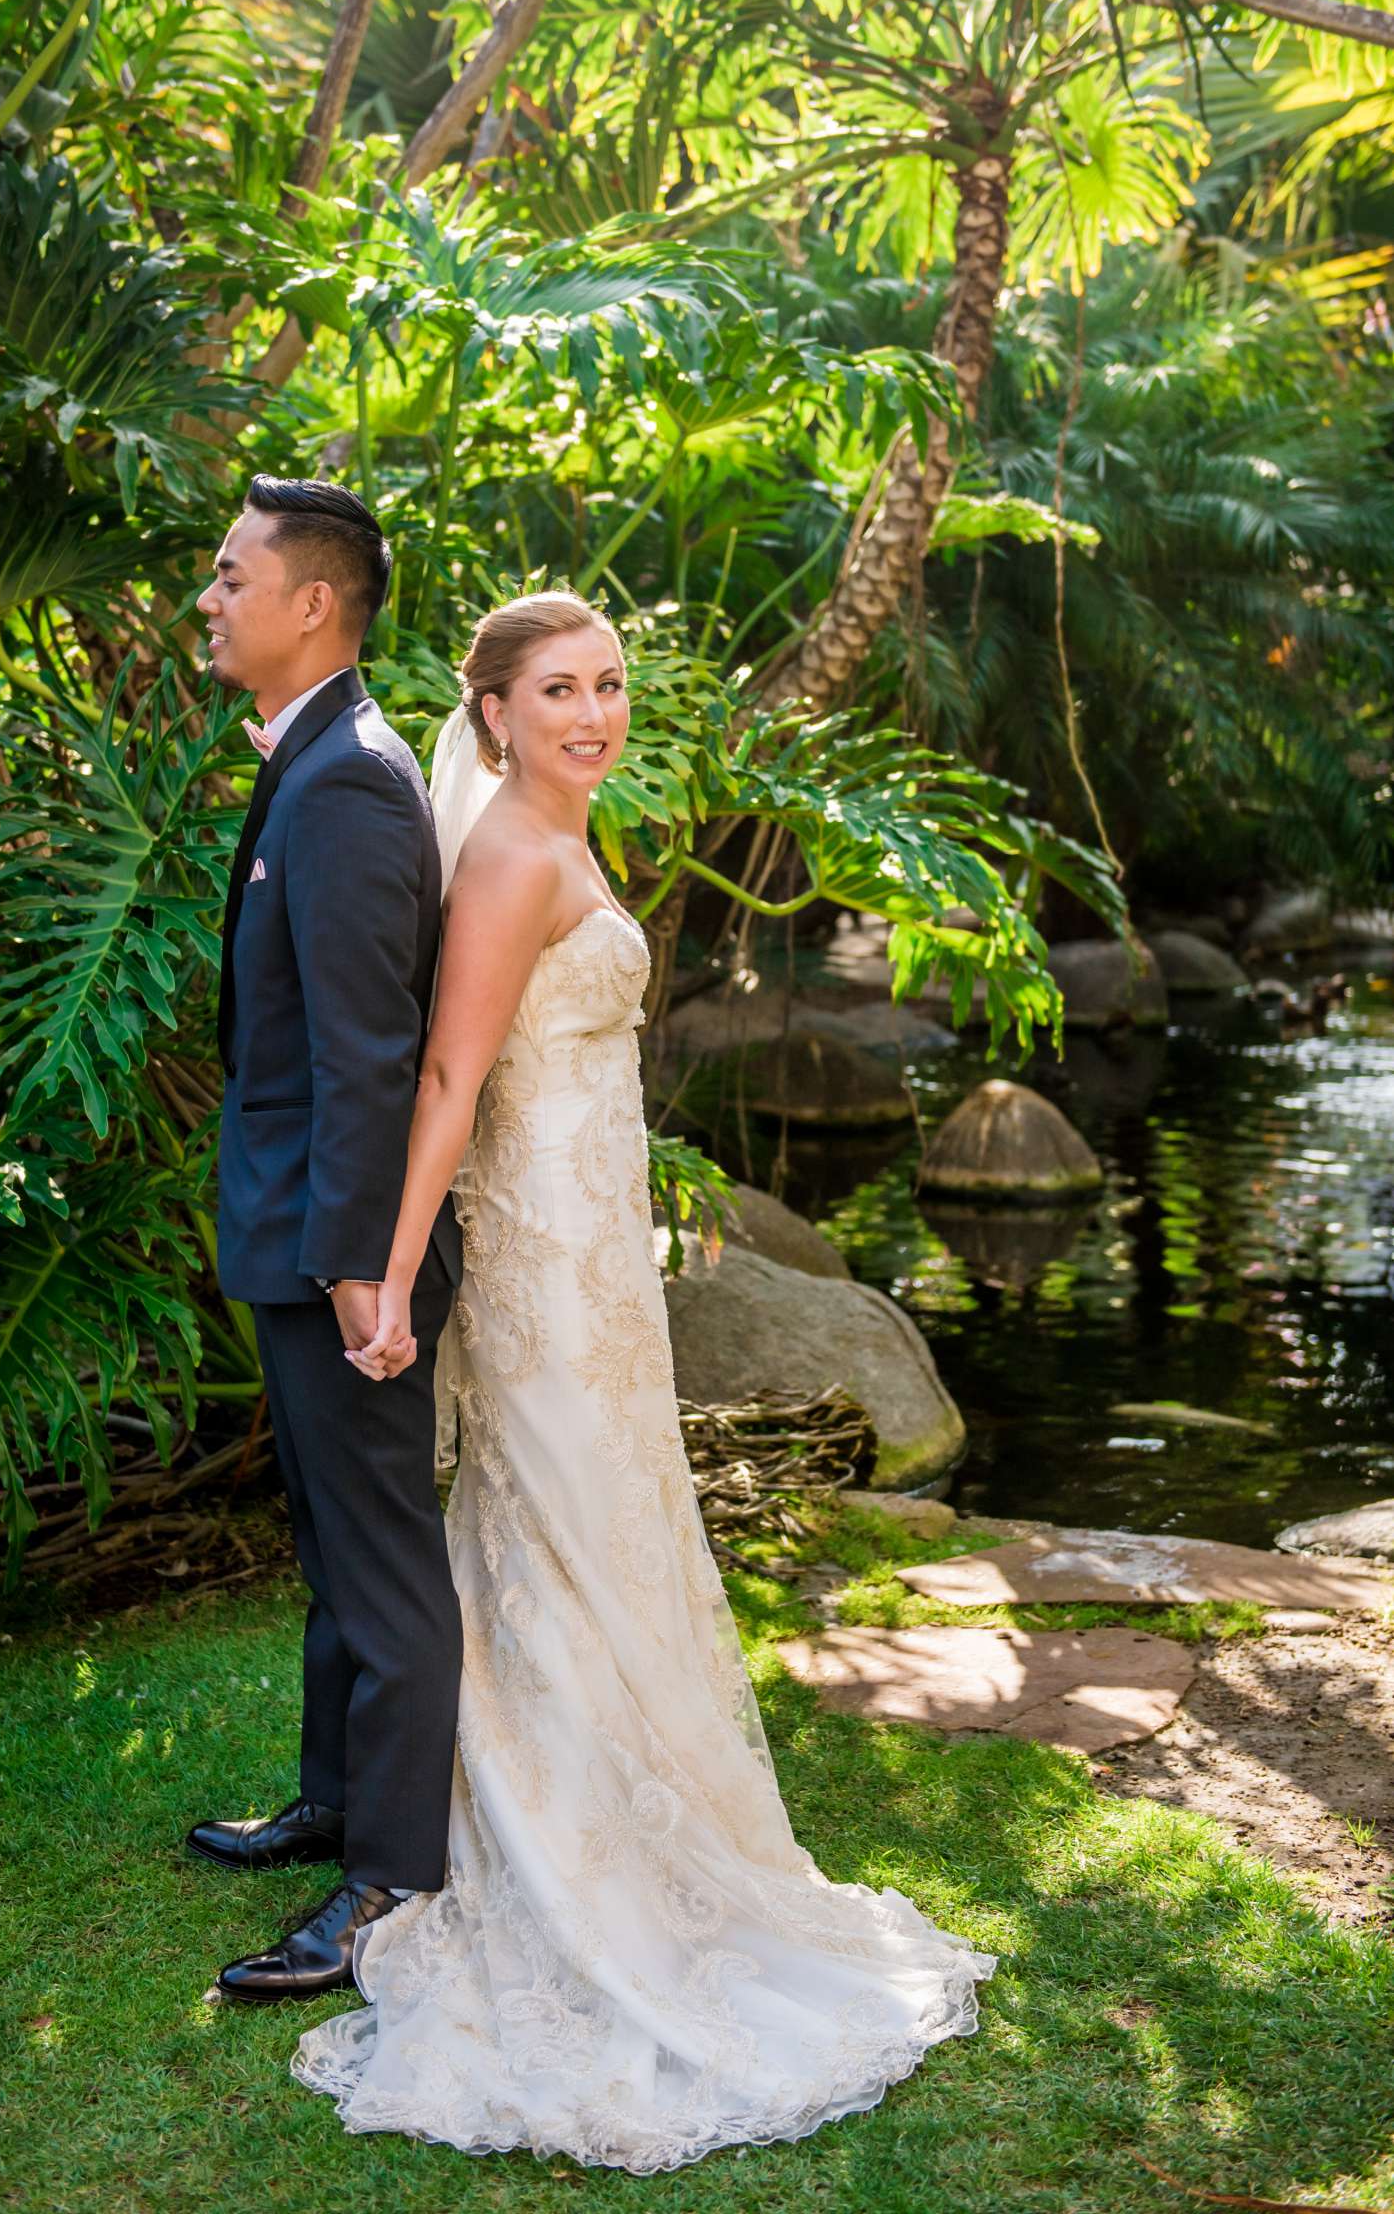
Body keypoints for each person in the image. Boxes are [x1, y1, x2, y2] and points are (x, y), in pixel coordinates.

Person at [289, 588, 997, 2172]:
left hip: (600, 1261)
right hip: (537, 1273)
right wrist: (389, 1274)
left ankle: (635, 1829)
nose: (592, 714)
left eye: (608, 685)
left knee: (614, 1542)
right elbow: (452, 1076)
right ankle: (552, 1851)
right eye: (557, 691)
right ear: (494, 714)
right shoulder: (508, 860)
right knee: (556, 1538)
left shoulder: (568, 831)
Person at [187, 474, 463, 2002]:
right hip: (300, 1228)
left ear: (312, 605)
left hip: (341, 1248)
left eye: (232, 578)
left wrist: (368, 1264)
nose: (210, 601)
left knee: (382, 1566)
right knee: (327, 1544)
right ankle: (332, 1801)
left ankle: (390, 1882)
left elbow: (369, 1049)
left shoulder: (349, 778)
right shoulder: (317, 757)